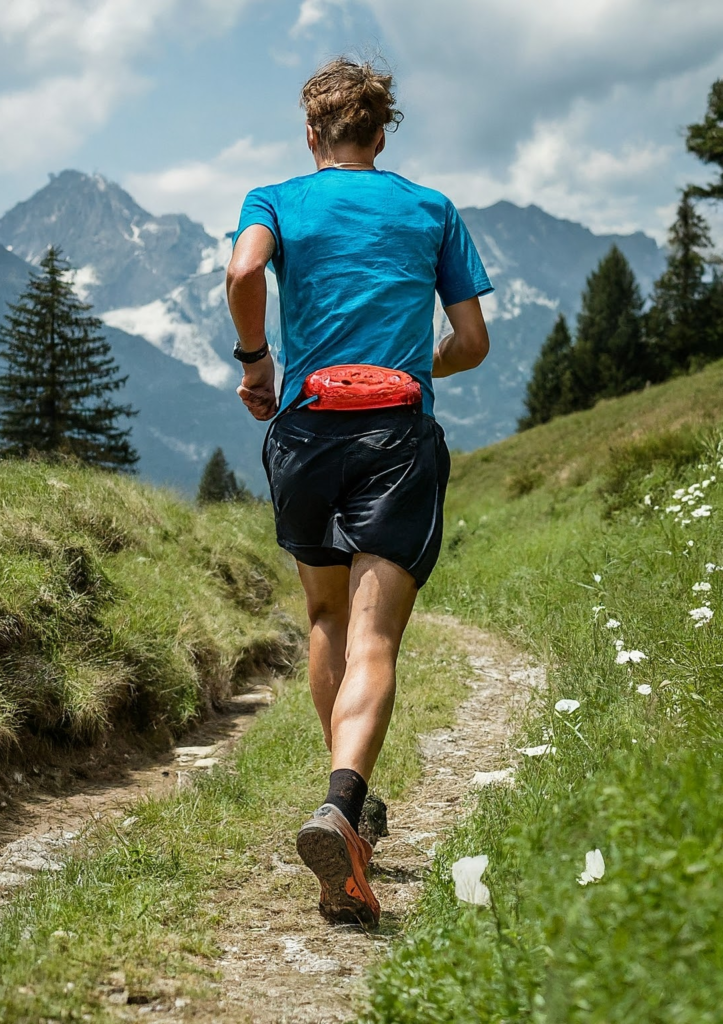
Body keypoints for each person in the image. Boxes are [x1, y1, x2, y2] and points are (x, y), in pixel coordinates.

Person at [226, 57, 492, 927]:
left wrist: (257, 363)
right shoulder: (431, 208)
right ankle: (345, 802)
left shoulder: (276, 199)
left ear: (312, 135)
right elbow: (471, 341)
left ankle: (346, 804)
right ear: (381, 135)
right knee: (376, 638)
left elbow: (243, 274)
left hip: (304, 432)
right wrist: (420, 361)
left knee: (327, 618)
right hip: (396, 435)